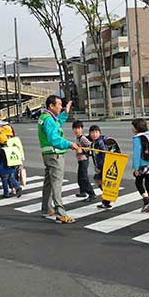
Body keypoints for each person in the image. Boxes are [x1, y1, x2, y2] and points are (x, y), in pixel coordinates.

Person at [38, 95, 80, 224]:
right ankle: (60, 213)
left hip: (48, 154)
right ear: (51, 106)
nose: (61, 107)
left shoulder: (46, 117)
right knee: (56, 182)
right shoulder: (49, 120)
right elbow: (54, 138)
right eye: (59, 105)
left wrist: (65, 112)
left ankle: (46, 209)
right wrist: (69, 144)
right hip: (54, 154)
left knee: (49, 182)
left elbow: (58, 124)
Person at [131, 118, 149, 213]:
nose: (132, 128)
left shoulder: (137, 138)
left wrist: (136, 168)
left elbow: (136, 154)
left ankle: (146, 200)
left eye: (133, 126)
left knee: (138, 183)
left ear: (137, 128)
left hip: (142, 165)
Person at [0, 124, 23, 198]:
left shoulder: (1, 149)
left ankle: (6, 193)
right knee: (12, 178)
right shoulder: (12, 144)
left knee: (4, 180)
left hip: (3, 168)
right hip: (12, 166)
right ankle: (17, 187)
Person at [89, 125, 114, 210]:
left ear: (99, 133)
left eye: (96, 132)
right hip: (100, 166)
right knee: (98, 181)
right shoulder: (93, 143)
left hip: (103, 166)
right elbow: (94, 155)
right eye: (92, 132)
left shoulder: (100, 142)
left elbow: (103, 154)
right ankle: (107, 198)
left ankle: (107, 198)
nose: (94, 134)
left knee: (99, 181)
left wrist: (99, 166)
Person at [72, 120, 96, 202]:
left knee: (84, 177)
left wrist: (82, 151)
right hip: (80, 160)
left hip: (84, 160)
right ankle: (82, 192)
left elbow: (91, 146)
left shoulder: (83, 138)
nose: (77, 130)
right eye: (75, 128)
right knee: (80, 177)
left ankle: (92, 194)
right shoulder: (78, 138)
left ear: (82, 129)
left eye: (79, 128)